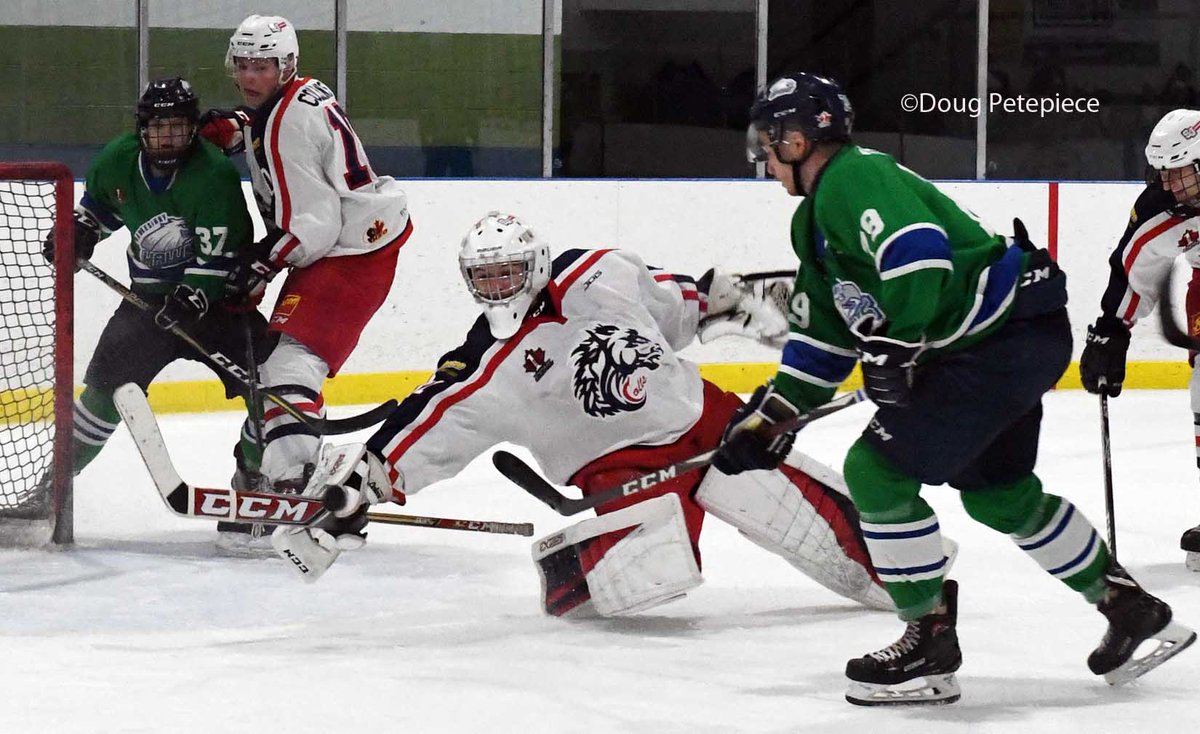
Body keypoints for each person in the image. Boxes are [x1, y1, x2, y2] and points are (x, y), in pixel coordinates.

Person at [722, 72, 1195, 706]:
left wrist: (901, 338)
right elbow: (824, 338)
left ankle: (928, 640)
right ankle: (1129, 605)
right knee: (998, 495)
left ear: (801, 138)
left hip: (994, 340)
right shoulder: (816, 224)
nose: (763, 153)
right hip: (1013, 335)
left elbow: (919, 255)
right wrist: (773, 415)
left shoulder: (851, 179)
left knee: (875, 471)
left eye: (770, 138)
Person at [270, 211, 897, 617]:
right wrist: (363, 484)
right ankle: (572, 564)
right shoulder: (484, 365)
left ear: (535, 263)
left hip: (714, 430)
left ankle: (916, 588)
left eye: (507, 273)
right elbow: (431, 422)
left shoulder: (600, 273)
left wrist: (727, 305)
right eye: (482, 278)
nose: (497, 287)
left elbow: (680, 305)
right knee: (648, 580)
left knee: (837, 541)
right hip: (621, 478)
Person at [199, 14, 413, 550]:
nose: (251, 78)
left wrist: (262, 263)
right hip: (355, 241)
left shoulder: (284, 126)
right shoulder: (295, 98)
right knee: (273, 364)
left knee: (290, 366)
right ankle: (264, 475)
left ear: (286, 64)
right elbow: (291, 136)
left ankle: (295, 485)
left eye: (263, 66)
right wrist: (243, 126)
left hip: (349, 252)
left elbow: (314, 227)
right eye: (243, 66)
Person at [41, 77, 270, 493]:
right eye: (158, 128)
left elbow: (219, 257)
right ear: (141, 128)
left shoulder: (213, 174)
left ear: (193, 128)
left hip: (218, 309)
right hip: (146, 305)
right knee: (102, 394)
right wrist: (81, 232)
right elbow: (102, 207)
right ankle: (53, 487)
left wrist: (194, 297)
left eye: (178, 127)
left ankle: (254, 481)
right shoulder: (118, 159)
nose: (168, 138)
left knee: (271, 387)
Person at [1079, 108, 1200, 572]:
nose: (1167, 184)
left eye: (1178, 173)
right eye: (1162, 174)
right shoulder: (1160, 211)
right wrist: (1112, 331)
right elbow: (1134, 270)